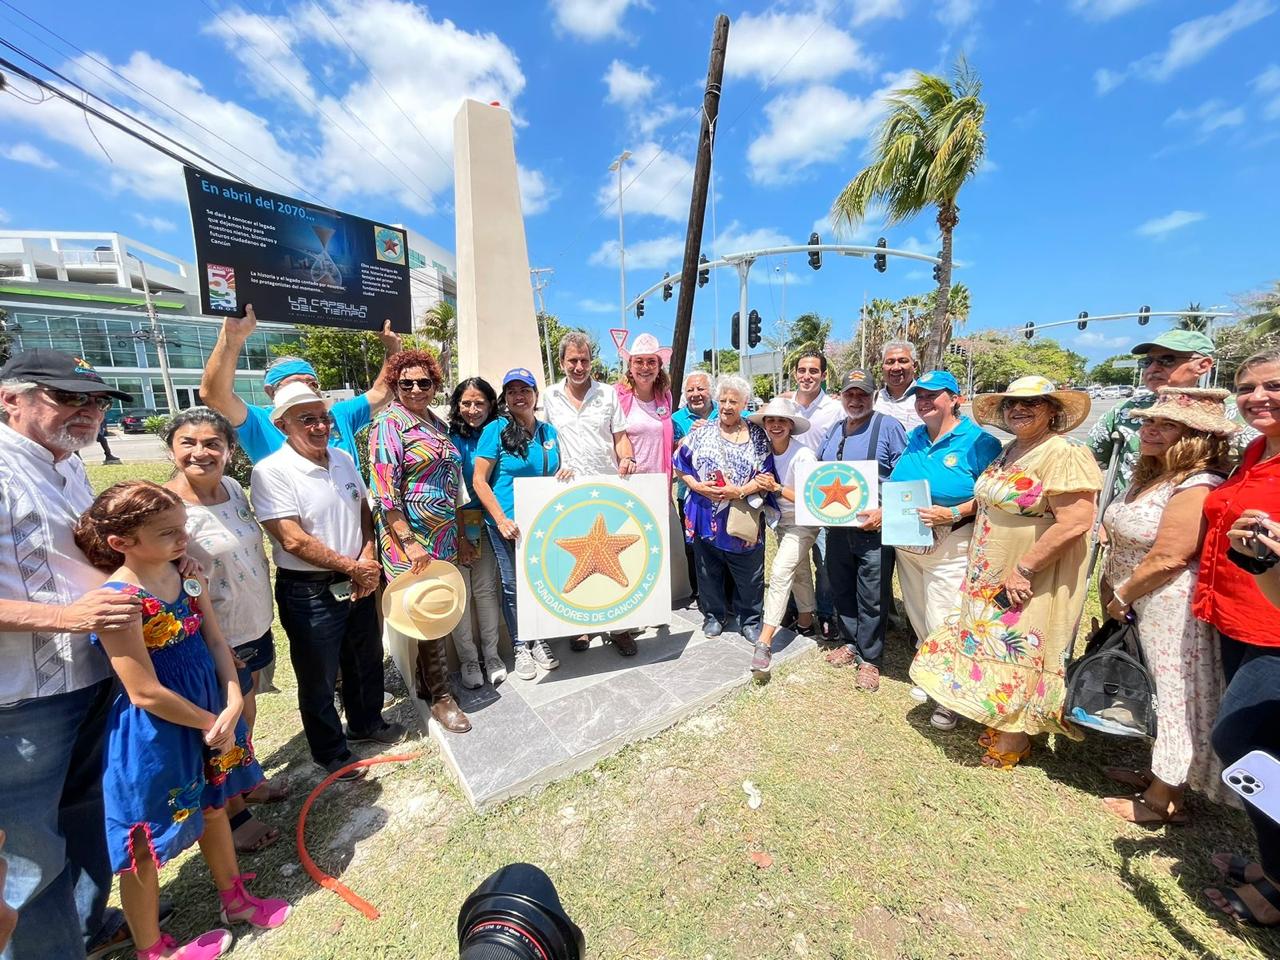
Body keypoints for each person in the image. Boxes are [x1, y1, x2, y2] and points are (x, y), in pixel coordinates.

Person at [72, 481, 291, 959]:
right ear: (121, 543)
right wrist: (212, 718)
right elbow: (143, 691)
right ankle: (151, 947)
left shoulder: (186, 575)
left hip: (213, 712)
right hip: (158, 731)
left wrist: (233, 699)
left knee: (215, 803)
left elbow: (217, 642)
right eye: (168, 532)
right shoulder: (119, 602)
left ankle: (233, 897)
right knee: (143, 845)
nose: (182, 540)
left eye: (182, 529)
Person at [0, 349, 141, 959]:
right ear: (11, 399)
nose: (88, 412)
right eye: (68, 398)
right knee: (30, 860)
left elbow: (82, 557)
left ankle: (86, 927)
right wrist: (62, 617)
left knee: (87, 814)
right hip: (23, 702)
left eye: (97, 399)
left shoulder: (70, 465)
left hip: (90, 675)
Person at [910, 376, 1100, 768]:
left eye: (1032, 403)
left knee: (1023, 643)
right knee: (994, 642)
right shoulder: (1011, 450)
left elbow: (1076, 521)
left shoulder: (1062, 453)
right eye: (1013, 403)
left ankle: (1015, 737)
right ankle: (1001, 717)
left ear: (1053, 410)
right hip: (989, 567)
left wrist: (1025, 569)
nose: (1019, 409)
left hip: (1030, 571)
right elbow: (988, 502)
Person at [249, 381, 405, 782]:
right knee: (319, 674)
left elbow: (364, 513)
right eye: (307, 420)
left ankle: (367, 722)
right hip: (310, 589)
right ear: (283, 424)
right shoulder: (271, 472)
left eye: (323, 418)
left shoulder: (341, 459)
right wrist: (353, 568)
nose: (319, 426)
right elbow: (291, 538)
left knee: (365, 657)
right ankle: (331, 751)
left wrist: (367, 559)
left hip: (359, 576)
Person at [1098, 387, 1238, 824]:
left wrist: (1123, 594)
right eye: (1148, 422)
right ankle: (1156, 773)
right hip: (1138, 598)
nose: (1150, 430)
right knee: (1154, 690)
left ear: (1196, 435)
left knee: (1175, 696)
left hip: (1168, 604)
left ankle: (1165, 799)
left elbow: (1171, 556)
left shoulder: (1198, 484)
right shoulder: (1154, 474)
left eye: (1166, 424)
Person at [162, 408, 286, 856]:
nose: (201, 452)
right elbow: (171, 587)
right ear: (172, 450)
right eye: (188, 443)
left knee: (246, 713)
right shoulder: (168, 508)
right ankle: (234, 813)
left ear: (229, 451)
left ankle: (247, 784)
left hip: (252, 621)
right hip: (213, 636)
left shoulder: (233, 489)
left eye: (212, 443)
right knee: (223, 726)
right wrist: (211, 644)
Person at [1194, 348, 1280, 926]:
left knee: (1242, 744)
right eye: (1246, 387)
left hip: (1274, 628)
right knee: (1265, 754)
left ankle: (1277, 887)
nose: (1256, 397)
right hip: (1235, 615)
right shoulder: (1254, 452)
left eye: (1272, 386)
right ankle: (1272, 865)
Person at [887, 370, 1001, 727]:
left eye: (933, 395)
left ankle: (949, 695)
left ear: (955, 398)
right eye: (919, 396)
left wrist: (952, 511)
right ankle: (929, 672)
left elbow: (993, 496)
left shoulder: (980, 442)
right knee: (919, 612)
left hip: (952, 540)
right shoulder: (913, 437)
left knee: (944, 615)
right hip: (909, 542)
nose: (924, 401)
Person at [367, 350, 471, 733]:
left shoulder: (437, 424)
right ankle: (442, 698)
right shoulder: (389, 424)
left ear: (434, 385)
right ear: (394, 385)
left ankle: (428, 683)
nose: (414, 389)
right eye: (405, 382)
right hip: (408, 536)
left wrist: (460, 534)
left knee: (435, 608)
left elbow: (450, 485)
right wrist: (409, 542)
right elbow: (385, 493)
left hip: (441, 534)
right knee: (429, 614)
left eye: (423, 382)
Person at [199, 304, 402, 464]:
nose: (306, 390)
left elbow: (382, 393)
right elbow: (215, 396)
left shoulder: (338, 415)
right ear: (271, 391)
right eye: (295, 383)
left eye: (312, 384)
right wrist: (232, 338)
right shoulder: (259, 421)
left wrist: (393, 348)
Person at [543, 332, 639, 655]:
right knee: (579, 562)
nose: (579, 366)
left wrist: (626, 457)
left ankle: (620, 628)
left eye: (584, 360)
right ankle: (582, 626)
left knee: (612, 558)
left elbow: (621, 437)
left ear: (591, 361)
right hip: (569, 494)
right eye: (573, 360)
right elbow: (544, 441)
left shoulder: (608, 394)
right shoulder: (549, 396)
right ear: (562, 363)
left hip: (607, 491)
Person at [472, 369, 568, 681]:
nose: (519, 396)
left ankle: (539, 638)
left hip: (542, 525)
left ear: (535, 395)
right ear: (505, 397)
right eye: (511, 391)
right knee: (513, 587)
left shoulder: (548, 433)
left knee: (539, 583)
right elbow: (479, 481)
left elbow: (551, 472)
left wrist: (564, 475)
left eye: (524, 390)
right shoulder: (495, 430)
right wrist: (500, 519)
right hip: (507, 526)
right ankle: (520, 645)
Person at [817, 369, 908, 692]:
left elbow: (907, 475)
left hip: (875, 530)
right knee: (842, 588)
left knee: (872, 595)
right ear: (841, 396)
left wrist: (887, 512)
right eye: (850, 394)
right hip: (838, 528)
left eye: (862, 394)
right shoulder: (835, 430)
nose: (855, 400)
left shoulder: (888, 427)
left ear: (874, 396)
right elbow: (819, 471)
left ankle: (870, 659)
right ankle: (850, 641)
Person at [1087, 330, 1256, 497]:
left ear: (1202, 365)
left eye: (1167, 360)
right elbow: (1090, 462)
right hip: (1124, 515)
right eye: (1147, 362)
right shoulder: (1124, 410)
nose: (1153, 368)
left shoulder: (1236, 412)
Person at [672, 374, 775, 643]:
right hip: (705, 514)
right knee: (708, 570)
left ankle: (750, 619)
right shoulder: (702, 432)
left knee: (749, 573)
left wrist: (739, 491)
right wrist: (697, 486)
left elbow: (766, 476)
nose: (727, 406)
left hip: (742, 516)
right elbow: (679, 465)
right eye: (723, 400)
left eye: (734, 401)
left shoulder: (758, 436)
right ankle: (713, 616)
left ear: (744, 403)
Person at [616, 332, 693, 611]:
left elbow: (664, 439)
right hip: (629, 485)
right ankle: (635, 604)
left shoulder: (665, 396)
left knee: (662, 545)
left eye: (651, 361)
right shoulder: (619, 396)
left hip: (660, 485)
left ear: (659, 365)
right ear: (630, 365)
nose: (645, 367)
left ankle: (659, 601)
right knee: (632, 547)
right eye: (639, 361)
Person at [744, 397, 814, 677]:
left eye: (781, 421)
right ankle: (807, 620)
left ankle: (764, 641)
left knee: (781, 570)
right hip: (779, 519)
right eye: (770, 420)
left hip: (803, 521)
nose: (775, 425)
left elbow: (812, 500)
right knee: (799, 570)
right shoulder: (763, 452)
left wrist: (776, 487)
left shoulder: (804, 455)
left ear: (790, 426)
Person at [448, 377, 506, 685]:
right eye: (467, 403)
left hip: (489, 523)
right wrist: (459, 534)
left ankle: (492, 655)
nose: (473, 409)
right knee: (463, 594)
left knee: (485, 591)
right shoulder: (448, 439)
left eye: (479, 403)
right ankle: (470, 662)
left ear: (491, 405)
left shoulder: (501, 433)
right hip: (459, 524)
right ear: (457, 406)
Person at [786, 350, 844, 641]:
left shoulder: (835, 409)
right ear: (795, 373)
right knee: (794, 559)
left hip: (823, 494)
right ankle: (798, 608)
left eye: (813, 371)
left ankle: (825, 613)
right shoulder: (785, 405)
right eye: (802, 370)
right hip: (787, 495)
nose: (806, 376)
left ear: (823, 375)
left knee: (824, 560)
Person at [673, 370, 718, 611]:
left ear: (711, 390)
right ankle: (700, 593)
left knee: (723, 545)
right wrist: (686, 439)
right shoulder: (677, 419)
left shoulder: (727, 411)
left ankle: (725, 595)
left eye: (700, 389)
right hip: (689, 494)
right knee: (694, 545)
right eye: (690, 390)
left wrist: (714, 428)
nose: (695, 394)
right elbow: (670, 452)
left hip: (724, 495)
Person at [874, 341, 924, 432]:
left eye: (902, 361)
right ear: (882, 367)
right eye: (890, 362)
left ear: (915, 366)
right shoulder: (873, 400)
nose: (896, 367)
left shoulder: (927, 399)